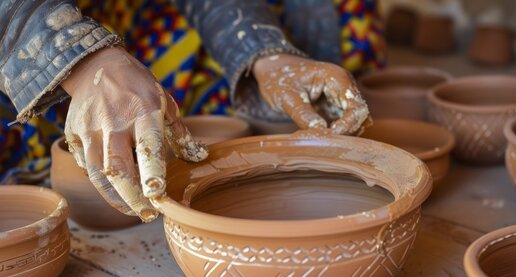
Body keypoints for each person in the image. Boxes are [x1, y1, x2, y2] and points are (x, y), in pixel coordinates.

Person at [0, 0, 385, 221]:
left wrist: (266, 56)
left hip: (136, 16)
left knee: (346, 16)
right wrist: (83, 61)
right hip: (28, 31)